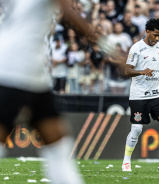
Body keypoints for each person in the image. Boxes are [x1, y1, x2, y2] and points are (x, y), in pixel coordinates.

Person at [0, 0, 98, 183]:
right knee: (57, 147)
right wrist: (108, 48)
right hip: (15, 69)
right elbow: (67, 11)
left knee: (58, 145)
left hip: (32, 72)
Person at [122, 18, 159, 172]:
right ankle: (126, 161)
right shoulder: (136, 48)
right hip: (139, 95)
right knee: (137, 129)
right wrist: (141, 71)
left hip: (156, 93)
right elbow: (127, 70)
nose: (157, 39)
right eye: (155, 35)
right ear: (148, 31)